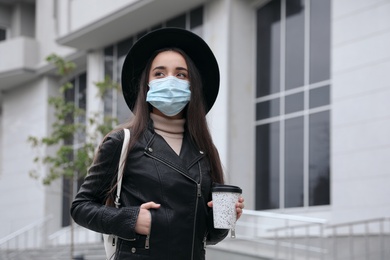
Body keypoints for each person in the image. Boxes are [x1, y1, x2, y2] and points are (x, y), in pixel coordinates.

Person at [71, 27, 245, 260]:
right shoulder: (123, 142)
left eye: (181, 74)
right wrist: (130, 219)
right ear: (147, 85)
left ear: (193, 87)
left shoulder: (204, 150)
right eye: (160, 74)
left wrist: (225, 218)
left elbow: (208, 236)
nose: (171, 80)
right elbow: (80, 207)